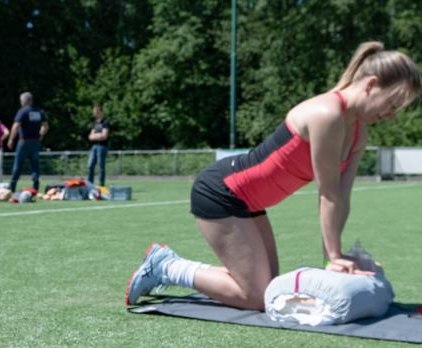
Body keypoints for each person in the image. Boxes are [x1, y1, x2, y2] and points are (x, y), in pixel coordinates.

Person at [126, 41, 420, 310]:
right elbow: (327, 193)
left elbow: (342, 196)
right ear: (371, 84)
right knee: (256, 298)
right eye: (392, 104)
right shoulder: (326, 114)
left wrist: (334, 254)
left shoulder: (358, 132)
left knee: (270, 291)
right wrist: (332, 256)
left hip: (248, 203)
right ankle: (165, 268)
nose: (392, 115)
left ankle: (169, 263)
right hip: (221, 191)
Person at [7, 92, 48, 192]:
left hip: (24, 142)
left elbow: (16, 126)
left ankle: (12, 186)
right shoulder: (39, 112)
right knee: (35, 165)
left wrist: (11, 139)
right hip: (35, 142)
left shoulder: (23, 111)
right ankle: (35, 187)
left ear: (24, 101)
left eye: (21, 101)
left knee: (18, 164)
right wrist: (41, 135)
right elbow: (45, 126)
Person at [87, 104, 110, 186]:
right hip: (94, 147)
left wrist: (95, 136)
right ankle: (90, 184)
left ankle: (101, 185)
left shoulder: (105, 122)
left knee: (101, 166)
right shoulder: (94, 123)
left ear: (100, 112)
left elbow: (104, 136)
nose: (94, 113)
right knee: (90, 165)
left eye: (96, 111)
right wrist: (98, 135)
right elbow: (90, 136)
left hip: (102, 147)